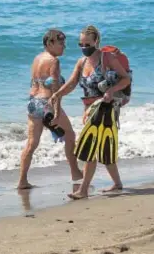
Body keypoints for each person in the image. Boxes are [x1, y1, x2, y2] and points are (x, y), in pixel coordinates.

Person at [51, 25, 131, 199]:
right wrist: (57, 94)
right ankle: (117, 184)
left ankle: (84, 190)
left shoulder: (107, 58)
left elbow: (126, 79)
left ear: (96, 41)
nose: (84, 48)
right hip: (89, 111)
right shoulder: (82, 62)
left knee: (90, 147)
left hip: (106, 109)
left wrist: (111, 91)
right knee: (104, 149)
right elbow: (72, 83)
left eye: (87, 44)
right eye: (80, 44)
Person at [18, 29, 82, 189]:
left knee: (32, 143)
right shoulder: (54, 61)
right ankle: (75, 172)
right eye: (61, 43)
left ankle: (22, 181)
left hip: (33, 103)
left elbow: (34, 83)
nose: (64, 47)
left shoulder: (37, 58)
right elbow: (54, 91)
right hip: (47, 103)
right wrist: (57, 111)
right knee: (70, 135)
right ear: (50, 43)